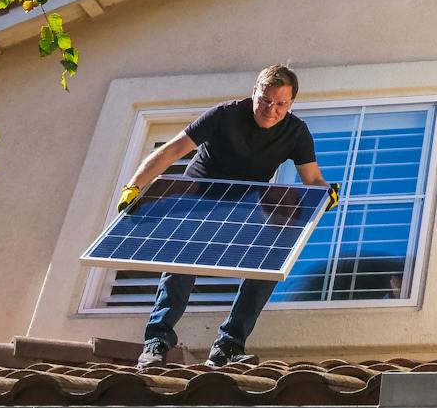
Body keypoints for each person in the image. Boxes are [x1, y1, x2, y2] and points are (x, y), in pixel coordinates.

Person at [118, 65, 334, 369]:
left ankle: (229, 344)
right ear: (254, 93)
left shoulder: (295, 132)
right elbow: (171, 151)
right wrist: (134, 187)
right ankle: (157, 341)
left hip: (243, 204)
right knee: (181, 261)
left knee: (271, 261)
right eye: (265, 100)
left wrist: (326, 194)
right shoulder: (225, 115)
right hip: (198, 198)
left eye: (280, 104)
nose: (271, 110)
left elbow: (312, 179)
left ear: (291, 104)